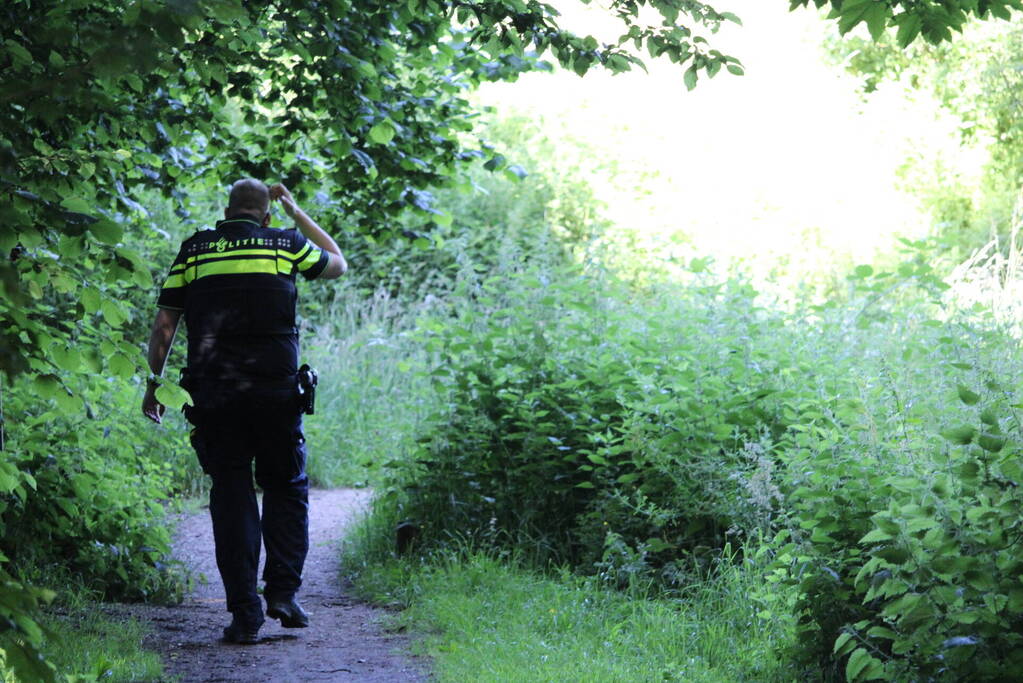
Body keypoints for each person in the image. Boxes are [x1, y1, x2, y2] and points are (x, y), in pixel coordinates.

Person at [141, 179, 347, 644]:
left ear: (227, 210)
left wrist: (154, 385)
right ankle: (282, 594)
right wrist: (295, 212)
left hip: (214, 397)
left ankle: (244, 613)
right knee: (286, 487)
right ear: (266, 215)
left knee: (231, 494)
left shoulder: (195, 251)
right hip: (276, 395)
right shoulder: (285, 244)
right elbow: (338, 262)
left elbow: (166, 323)